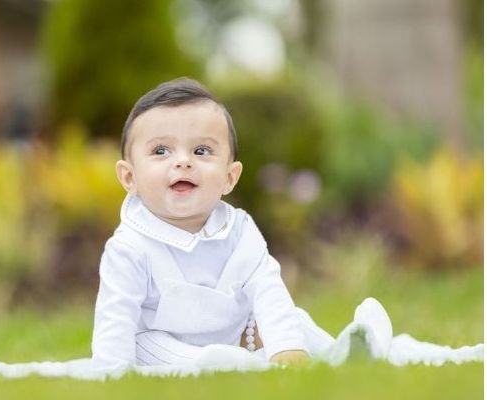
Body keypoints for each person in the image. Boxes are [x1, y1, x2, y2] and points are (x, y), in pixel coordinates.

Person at [91, 78, 337, 373]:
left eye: (202, 151)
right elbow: (115, 317)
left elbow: (268, 289)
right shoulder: (129, 246)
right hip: (164, 344)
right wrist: (111, 371)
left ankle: (347, 348)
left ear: (229, 177)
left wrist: (287, 347)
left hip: (236, 336)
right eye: (161, 151)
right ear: (129, 178)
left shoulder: (240, 230)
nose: (183, 162)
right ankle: (214, 363)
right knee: (147, 345)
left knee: (291, 321)